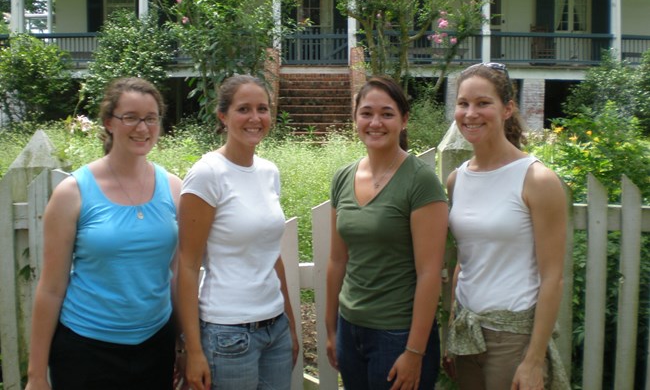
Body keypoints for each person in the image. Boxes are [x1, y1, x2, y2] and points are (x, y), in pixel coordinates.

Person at [25, 77, 182, 390]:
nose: (142, 127)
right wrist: (36, 375)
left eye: (151, 118)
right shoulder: (73, 192)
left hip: (155, 345)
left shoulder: (174, 188)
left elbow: (177, 275)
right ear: (109, 122)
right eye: (131, 117)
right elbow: (52, 288)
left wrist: (184, 344)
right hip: (87, 350)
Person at [444, 62, 569, 390]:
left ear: (508, 109)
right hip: (467, 333)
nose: (471, 113)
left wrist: (533, 359)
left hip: (512, 338)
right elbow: (464, 262)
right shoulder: (457, 180)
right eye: (463, 104)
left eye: (483, 103)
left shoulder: (537, 179)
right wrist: (452, 328)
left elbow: (553, 277)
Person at [325, 76, 449, 390]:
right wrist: (331, 330)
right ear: (355, 118)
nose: (375, 122)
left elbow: (429, 272)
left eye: (387, 114)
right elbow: (337, 261)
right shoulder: (343, 177)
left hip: (397, 334)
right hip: (350, 329)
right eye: (366, 113)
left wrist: (414, 351)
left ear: (404, 120)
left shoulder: (421, 181)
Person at [176, 74, 299, 390]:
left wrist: (290, 324)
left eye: (263, 108)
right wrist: (193, 350)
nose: (255, 118)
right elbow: (188, 267)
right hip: (227, 334)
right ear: (223, 115)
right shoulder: (207, 174)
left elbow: (272, 255)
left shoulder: (269, 172)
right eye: (244, 109)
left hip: (275, 329)